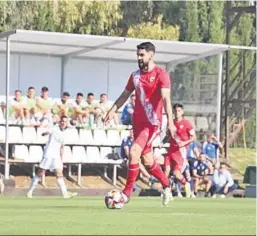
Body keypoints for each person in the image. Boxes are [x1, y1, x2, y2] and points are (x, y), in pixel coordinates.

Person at [104, 42, 175, 206]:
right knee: (148, 161)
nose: (139, 58)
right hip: (137, 124)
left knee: (134, 152)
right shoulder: (135, 76)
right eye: (137, 55)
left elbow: (166, 99)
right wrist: (113, 110)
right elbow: (124, 95)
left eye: (142, 55)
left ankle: (126, 194)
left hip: (152, 124)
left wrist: (170, 122)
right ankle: (167, 185)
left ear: (151, 55)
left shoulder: (161, 74)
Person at [26, 115, 77, 199]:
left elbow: (61, 146)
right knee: (40, 172)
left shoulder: (65, 132)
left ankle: (65, 193)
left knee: (59, 173)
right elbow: (47, 132)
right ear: (59, 122)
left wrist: (61, 159)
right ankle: (30, 191)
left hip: (56, 156)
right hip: (48, 154)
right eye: (62, 121)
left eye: (65, 121)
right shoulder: (54, 128)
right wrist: (45, 133)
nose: (63, 123)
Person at [164, 103, 196, 198]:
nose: (177, 113)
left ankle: (186, 184)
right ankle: (167, 191)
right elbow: (168, 136)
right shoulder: (171, 123)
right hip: (171, 150)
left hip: (180, 152)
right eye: (175, 111)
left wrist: (184, 143)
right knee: (166, 171)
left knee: (177, 174)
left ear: (182, 112)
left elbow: (194, 137)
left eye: (179, 111)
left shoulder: (187, 123)